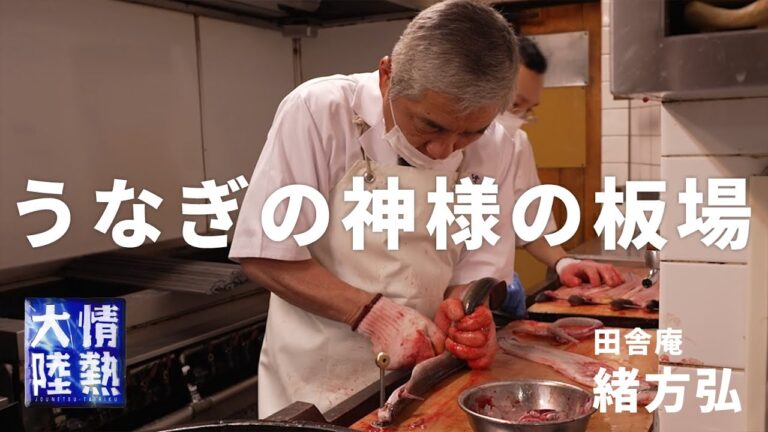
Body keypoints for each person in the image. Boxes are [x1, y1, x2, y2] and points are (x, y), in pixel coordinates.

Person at [231, 1, 621, 417]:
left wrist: (469, 317)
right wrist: (370, 313)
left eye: (471, 132)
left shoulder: (501, 147)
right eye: (430, 125)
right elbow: (266, 254)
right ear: (387, 77)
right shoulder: (319, 111)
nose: (444, 150)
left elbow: (476, 267)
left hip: (429, 379)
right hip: (318, 385)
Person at [498, 36, 624, 318]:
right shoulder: (438, 144)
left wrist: (563, 263)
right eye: (515, 105)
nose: (519, 117)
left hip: (489, 303)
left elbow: (530, 224)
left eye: (527, 110)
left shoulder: (516, 142)